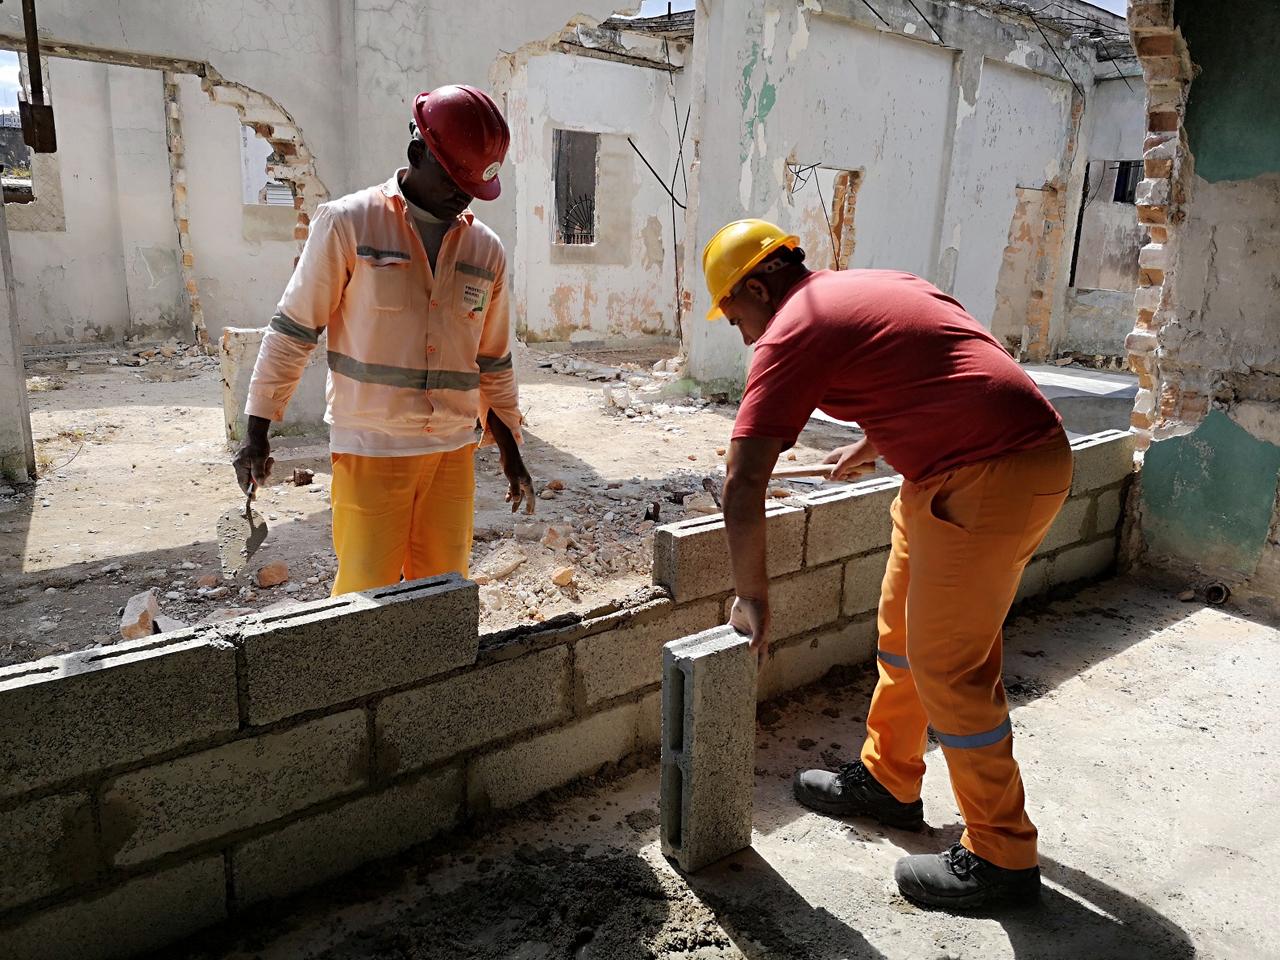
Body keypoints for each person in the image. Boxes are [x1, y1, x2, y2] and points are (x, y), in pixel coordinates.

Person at [705, 219, 1073, 910]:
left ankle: (1001, 852)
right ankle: (889, 780)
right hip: (954, 466)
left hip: (994, 469)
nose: (745, 335)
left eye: (737, 316)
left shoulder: (791, 330)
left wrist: (752, 596)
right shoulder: (865, 287)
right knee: (902, 637)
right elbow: (939, 363)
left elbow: (743, 481)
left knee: (949, 667)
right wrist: (874, 440)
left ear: (758, 287)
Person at [233, 85, 534, 596]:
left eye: (474, 185)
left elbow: (493, 359)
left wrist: (509, 446)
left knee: (444, 593)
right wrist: (256, 430)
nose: (464, 195)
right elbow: (293, 331)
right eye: (456, 179)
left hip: (452, 452)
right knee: (364, 600)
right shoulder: (348, 224)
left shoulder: (487, 251)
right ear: (418, 154)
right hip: (372, 448)